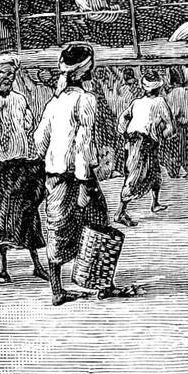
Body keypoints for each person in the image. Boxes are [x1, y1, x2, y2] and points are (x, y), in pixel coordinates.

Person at [34, 42, 115, 305]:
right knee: (98, 222)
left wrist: (53, 157)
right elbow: (83, 143)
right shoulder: (86, 99)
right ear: (83, 72)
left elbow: (39, 140)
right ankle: (101, 282)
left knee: (57, 227)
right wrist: (83, 183)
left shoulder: (54, 102)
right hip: (77, 176)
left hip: (54, 175)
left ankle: (58, 289)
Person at [0, 51, 48, 284]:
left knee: (28, 217)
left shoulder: (19, 99)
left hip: (20, 166)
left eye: (12, 73)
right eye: (5, 73)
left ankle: (37, 264)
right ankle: (3, 268)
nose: (9, 77)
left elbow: (28, 128)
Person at [115, 73, 175, 227]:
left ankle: (155, 203)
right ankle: (120, 213)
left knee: (154, 173)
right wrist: (165, 134)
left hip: (145, 142)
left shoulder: (138, 102)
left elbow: (123, 118)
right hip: (139, 143)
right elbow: (170, 126)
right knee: (134, 177)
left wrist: (124, 131)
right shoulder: (158, 101)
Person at [164, 67, 188, 179]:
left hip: (180, 126)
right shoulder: (187, 92)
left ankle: (175, 171)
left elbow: (173, 113)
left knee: (177, 149)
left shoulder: (173, 93)